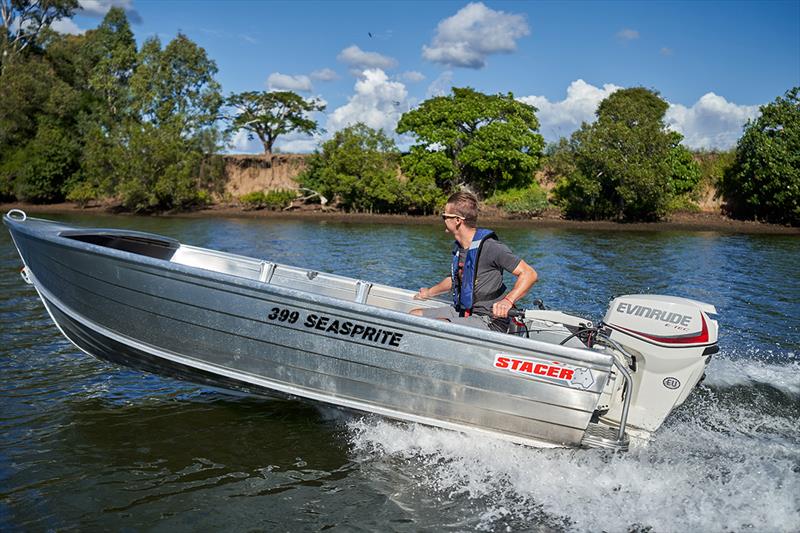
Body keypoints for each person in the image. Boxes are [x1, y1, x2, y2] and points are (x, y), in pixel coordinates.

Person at [410, 191, 538, 331]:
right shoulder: (461, 248)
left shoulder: (491, 247)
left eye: (445, 216)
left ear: (458, 220)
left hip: (489, 320)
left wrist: (507, 301)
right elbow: (455, 280)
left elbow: (529, 274)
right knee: (413, 316)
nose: (443, 219)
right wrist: (428, 293)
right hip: (464, 312)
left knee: (438, 326)